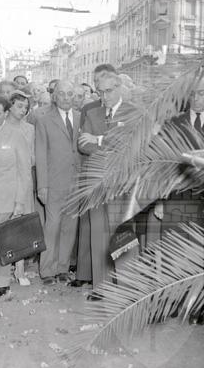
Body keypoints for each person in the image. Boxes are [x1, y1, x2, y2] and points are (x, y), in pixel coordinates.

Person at [77, 72, 135, 297]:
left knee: (123, 233)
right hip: (95, 182)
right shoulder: (92, 113)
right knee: (98, 234)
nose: (104, 96)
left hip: (122, 182)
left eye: (109, 91)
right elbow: (83, 146)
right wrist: (107, 142)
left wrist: (99, 139)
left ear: (119, 88)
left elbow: (130, 144)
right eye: (100, 92)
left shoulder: (134, 112)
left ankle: (127, 287)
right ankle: (101, 287)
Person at [0, 90, 35, 294]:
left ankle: (2, 282)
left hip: (5, 196)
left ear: (5, 113)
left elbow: (25, 170)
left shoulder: (16, 135)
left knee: (4, 240)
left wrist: (19, 201)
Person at [35, 80, 81, 285]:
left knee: (70, 227)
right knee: (52, 226)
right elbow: (40, 155)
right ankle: (47, 270)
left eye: (70, 94)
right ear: (54, 96)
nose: (66, 98)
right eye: (61, 94)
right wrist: (42, 185)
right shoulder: (44, 120)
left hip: (76, 182)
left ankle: (62, 268)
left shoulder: (80, 117)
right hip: (53, 182)